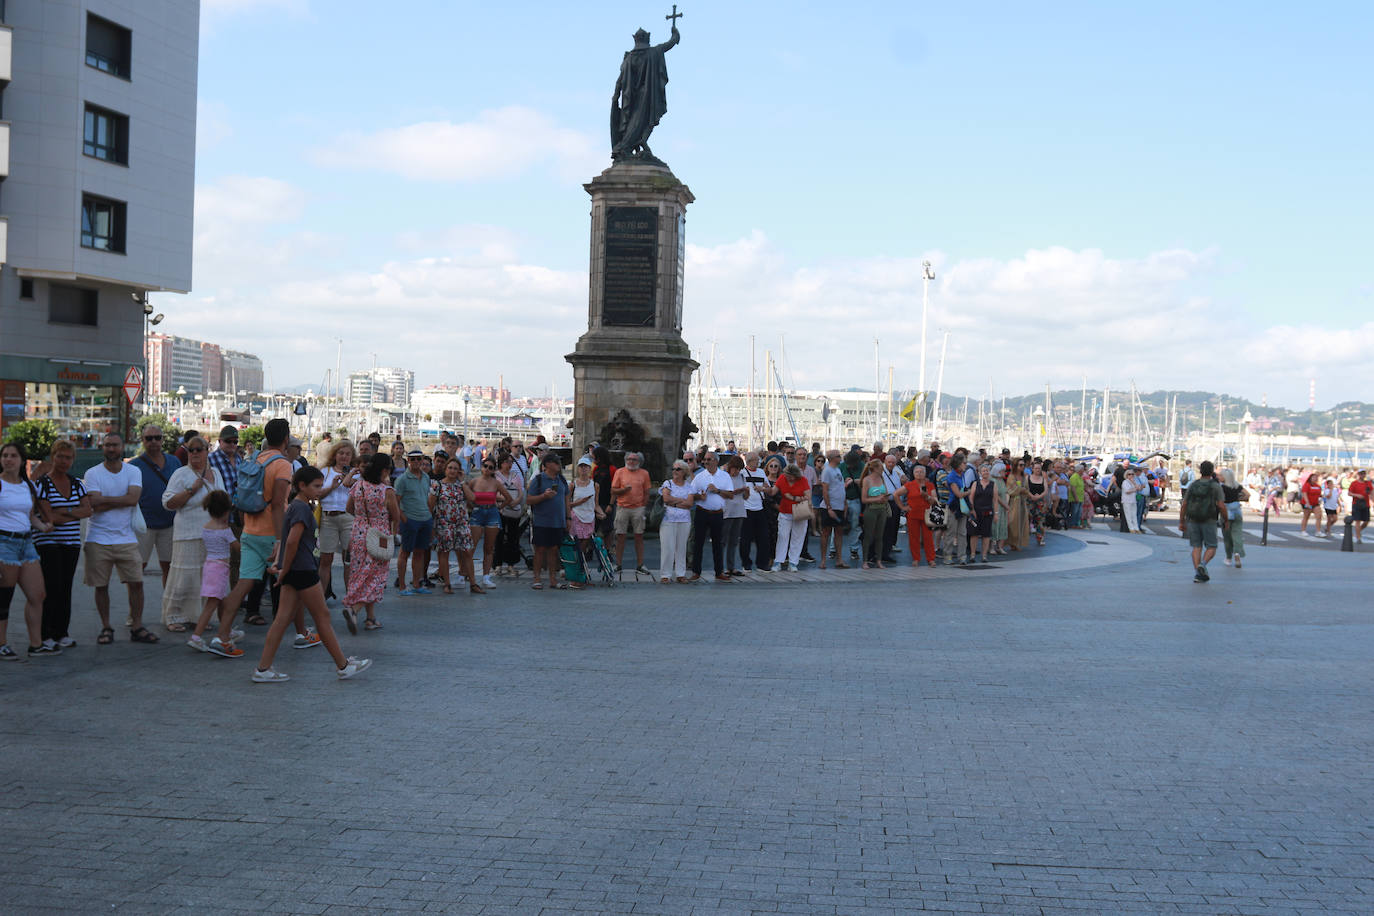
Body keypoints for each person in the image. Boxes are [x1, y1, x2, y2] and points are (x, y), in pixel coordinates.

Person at [252, 467, 372, 683]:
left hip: (297, 569)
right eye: (316, 486)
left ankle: (263, 668)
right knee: (322, 616)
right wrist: (285, 569)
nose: (319, 490)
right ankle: (342, 665)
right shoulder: (301, 509)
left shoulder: (299, 506)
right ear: (302, 486)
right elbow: (292, 540)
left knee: (282, 620)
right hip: (303, 570)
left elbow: (289, 540)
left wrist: (283, 569)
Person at [212, 418, 301, 649]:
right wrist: (281, 540)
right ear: (285, 439)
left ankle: (222, 635)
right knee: (294, 583)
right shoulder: (282, 464)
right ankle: (301, 634)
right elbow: (279, 503)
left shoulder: (255, 459)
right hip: (271, 534)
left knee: (243, 584)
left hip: (250, 530)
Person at [83, 433, 157, 646]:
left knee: (137, 583)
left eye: (115, 445)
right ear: (102, 447)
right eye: (107, 445)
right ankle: (106, 627)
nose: (111, 449)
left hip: (126, 538)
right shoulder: (93, 473)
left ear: (122, 446)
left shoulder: (133, 471)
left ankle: (137, 625)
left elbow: (133, 499)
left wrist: (104, 501)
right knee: (101, 586)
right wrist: (121, 500)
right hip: (97, 538)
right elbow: (93, 504)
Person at [159, 436, 225, 633]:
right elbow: (168, 503)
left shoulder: (216, 473)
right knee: (183, 576)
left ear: (207, 451)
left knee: (206, 577)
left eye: (199, 449)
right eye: (191, 450)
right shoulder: (181, 474)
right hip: (187, 532)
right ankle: (173, 615)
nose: (195, 453)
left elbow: (222, 500)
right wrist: (190, 491)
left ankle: (199, 617)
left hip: (212, 535)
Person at [34, 440, 90, 651]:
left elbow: (88, 511)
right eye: (60, 456)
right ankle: (46, 633)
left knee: (65, 586)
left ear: (72, 460)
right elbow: (49, 517)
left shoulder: (76, 483)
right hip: (48, 541)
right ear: (52, 457)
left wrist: (63, 513)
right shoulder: (43, 483)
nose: (63, 461)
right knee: (52, 585)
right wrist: (72, 513)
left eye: (68, 457)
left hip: (71, 542)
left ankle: (62, 632)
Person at [0, 441, 54, 658]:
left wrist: (43, 526)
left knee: (37, 594)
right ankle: (2, 643)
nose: (8, 459)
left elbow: (29, 515)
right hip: (4, 543)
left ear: (22, 460)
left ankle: (35, 644)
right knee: (4, 597)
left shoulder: (27, 485)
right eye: (5, 455)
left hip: (26, 543)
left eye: (13, 455)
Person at [343, 452, 400, 632]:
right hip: (380, 536)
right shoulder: (387, 491)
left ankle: (371, 618)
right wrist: (390, 531)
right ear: (384, 470)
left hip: (358, 534)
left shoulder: (358, 486)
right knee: (377, 576)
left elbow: (348, 508)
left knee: (361, 573)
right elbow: (396, 516)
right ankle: (354, 609)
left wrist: (362, 520)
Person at [187, 490, 241, 655]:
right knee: (212, 604)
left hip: (210, 566)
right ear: (226, 511)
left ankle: (227, 629)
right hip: (220, 569)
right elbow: (237, 548)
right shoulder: (224, 530)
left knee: (221, 601)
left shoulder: (206, 528)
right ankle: (196, 637)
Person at [130, 424, 181, 587]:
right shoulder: (133, 466)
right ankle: (136, 609)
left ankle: (168, 607)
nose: (153, 441)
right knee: (138, 568)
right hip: (143, 526)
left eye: (157, 438)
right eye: (149, 438)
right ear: (142, 441)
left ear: (162, 440)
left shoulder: (174, 462)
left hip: (170, 524)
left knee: (169, 568)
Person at [317, 439, 358, 605]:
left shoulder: (357, 473)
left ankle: (350, 597)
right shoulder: (326, 471)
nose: (344, 457)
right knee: (326, 560)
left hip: (349, 518)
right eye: (341, 453)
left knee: (349, 560)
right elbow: (317, 494)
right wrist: (332, 486)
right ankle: (319, 598)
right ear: (334, 455)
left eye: (348, 454)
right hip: (328, 518)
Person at [430, 457, 479, 595]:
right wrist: (432, 528)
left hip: (461, 523)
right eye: (450, 468)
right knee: (444, 554)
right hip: (444, 524)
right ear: (445, 469)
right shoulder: (437, 486)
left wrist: (463, 482)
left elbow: (472, 498)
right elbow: (431, 506)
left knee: (467, 552)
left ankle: (473, 583)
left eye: (455, 468)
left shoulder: (461, 485)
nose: (452, 471)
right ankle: (447, 583)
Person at [466, 455, 512, 589]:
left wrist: (499, 508)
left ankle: (486, 576)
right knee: (471, 547)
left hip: (492, 513)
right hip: (477, 513)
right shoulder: (474, 482)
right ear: (481, 467)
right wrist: (471, 506)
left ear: (494, 470)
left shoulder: (496, 483)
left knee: (489, 547)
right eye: (485, 466)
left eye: (491, 468)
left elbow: (508, 498)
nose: (487, 469)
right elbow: (465, 494)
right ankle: (467, 574)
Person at [393, 449, 435, 595]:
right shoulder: (402, 480)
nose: (416, 462)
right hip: (410, 520)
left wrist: (429, 516)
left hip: (425, 519)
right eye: (413, 459)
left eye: (419, 459)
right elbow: (395, 502)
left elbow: (427, 497)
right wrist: (404, 519)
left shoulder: (425, 477)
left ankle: (417, 584)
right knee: (405, 552)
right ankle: (402, 585)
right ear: (408, 461)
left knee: (419, 552)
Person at [1179, 459, 1228, 583]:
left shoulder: (1193, 485)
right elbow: (1221, 506)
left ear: (1200, 471)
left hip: (1193, 520)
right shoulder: (1215, 486)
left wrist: (1181, 521)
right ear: (1212, 472)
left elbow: (1184, 504)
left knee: (1196, 547)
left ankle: (1198, 574)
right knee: (1211, 547)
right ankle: (1203, 564)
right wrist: (1225, 520)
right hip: (1209, 520)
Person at [526, 454, 570, 590]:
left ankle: (552, 579)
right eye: (556, 462)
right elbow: (528, 500)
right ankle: (537, 578)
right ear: (548, 464)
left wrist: (569, 518)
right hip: (541, 521)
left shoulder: (561, 480)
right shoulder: (538, 480)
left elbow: (567, 500)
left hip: (558, 521)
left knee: (554, 550)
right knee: (539, 550)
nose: (559, 465)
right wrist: (543, 496)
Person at [689, 451, 734, 581]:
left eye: (709, 459)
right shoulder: (699, 477)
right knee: (698, 543)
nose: (706, 462)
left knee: (718, 543)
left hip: (717, 513)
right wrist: (699, 496)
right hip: (702, 511)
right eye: (705, 460)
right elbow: (691, 495)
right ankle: (696, 571)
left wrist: (717, 490)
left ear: (716, 461)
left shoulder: (725, 476)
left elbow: (731, 495)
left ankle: (719, 572)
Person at [207, 426, 242, 587]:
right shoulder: (211, 459)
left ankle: (236, 595)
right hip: (220, 517)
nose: (232, 444)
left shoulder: (240, 459)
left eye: (235, 441)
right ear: (220, 441)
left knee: (237, 558)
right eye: (228, 441)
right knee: (218, 559)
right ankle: (215, 593)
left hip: (239, 516)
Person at [610, 452, 652, 575]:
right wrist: (623, 490)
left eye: (634, 459)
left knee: (639, 536)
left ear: (639, 461)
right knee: (620, 536)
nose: (631, 461)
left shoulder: (644, 473)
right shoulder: (619, 472)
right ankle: (618, 565)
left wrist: (643, 506)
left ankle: (640, 565)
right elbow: (613, 490)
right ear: (625, 460)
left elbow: (647, 492)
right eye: (629, 459)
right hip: (622, 507)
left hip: (638, 508)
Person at [567, 456, 603, 588]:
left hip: (589, 518)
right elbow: (567, 504)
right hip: (576, 516)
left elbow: (596, 504)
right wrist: (579, 502)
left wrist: (602, 513)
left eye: (586, 466)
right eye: (581, 466)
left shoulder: (595, 485)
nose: (583, 469)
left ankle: (580, 573)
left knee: (584, 547)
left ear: (589, 469)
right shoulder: (573, 484)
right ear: (578, 468)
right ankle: (577, 574)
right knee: (576, 547)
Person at [658, 460, 694, 583]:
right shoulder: (667, 483)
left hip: (684, 520)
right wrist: (681, 500)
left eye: (678, 469)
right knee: (667, 547)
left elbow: (690, 503)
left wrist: (675, 502)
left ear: (684, 472)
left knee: (681, 547)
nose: (675, 471)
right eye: (673, 469)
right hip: (669, 519)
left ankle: (680, 573)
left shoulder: (689, 486)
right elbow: (666, 498)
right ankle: (665, 574)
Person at [771, 461, 811, 572]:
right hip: (785, 511)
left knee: (798, 537)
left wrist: (793, 498)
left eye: (791, 477)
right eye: (787, 476)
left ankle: (793, 562)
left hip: (800, 511)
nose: (789, 479)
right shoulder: (782, 478)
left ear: (796, 475)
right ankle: (778, 561)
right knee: (782, 536)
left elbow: (808, 496)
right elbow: (773, 492)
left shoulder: (803, 480)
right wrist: (766, 489)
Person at [896, 465, 937, 567]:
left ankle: (931, 559)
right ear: (913, 474)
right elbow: (896, 494)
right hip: (913, 514)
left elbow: (935, 500)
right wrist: (903, 507)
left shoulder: (929, 485)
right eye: (917, 472)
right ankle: (916, 558)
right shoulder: (909, 485)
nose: (919, 474)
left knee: (928, 538)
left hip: (927, 514)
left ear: (925, 474)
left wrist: (926, 496)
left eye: (921, 472)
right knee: (914, 537)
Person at [493, 452, 527, 578]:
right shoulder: (496, 476)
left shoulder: (516, 475)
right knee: (499, 538)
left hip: (514, 509)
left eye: (511, 462)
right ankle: (498, 564)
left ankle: (511, 564)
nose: (509, 464)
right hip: (500, 509)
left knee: (513, 537)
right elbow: (493, 492)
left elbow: (521, 491)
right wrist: (505, 500)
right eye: (507, 461)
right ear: (501, 463)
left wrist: (516, 502)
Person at [817, 450, 849, 570]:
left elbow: (839, 487)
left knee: (839, 533)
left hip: (839, 506)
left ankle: (839, 559)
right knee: (826, 532)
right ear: (832, 458)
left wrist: (844, 502)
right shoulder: (827, 470)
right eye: (838, 456)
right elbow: (825, 490)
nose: (840, 457)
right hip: (829, 507)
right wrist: (828, 507)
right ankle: (823, 560)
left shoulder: (838, 469)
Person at [738, 451, 768, 571]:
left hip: (760, 508)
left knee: (763, 537)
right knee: (746, 538)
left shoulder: (761, 472)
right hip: (746, 509)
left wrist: (763, 488)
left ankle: (762, 563)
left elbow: (768, 487)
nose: (759, 462)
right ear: (750, 461)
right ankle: (746, 563)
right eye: (757, 460)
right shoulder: (742, 473)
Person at [858, 459, 890, 569]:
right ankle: (865, 560)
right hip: (871, 509)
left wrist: (885, 497)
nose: (883, 470)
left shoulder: (881, 478)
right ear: (875, 468)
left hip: (882, 510)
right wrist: (877, 499)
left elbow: (885, 492)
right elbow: (864, 499)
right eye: (881, 468)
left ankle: (879, 560)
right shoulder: (866, 480)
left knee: (880, 536)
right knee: (868, 536)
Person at [938, 453, 969, 564]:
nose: (966, 465)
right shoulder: (951, 476)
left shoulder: (962, 474)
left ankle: (962, 557)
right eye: (964, 463)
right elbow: (958, 494)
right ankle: (948, 556)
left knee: (962, 533)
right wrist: (970, 491)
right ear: (958, 464)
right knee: (951, 533)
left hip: (962, 507)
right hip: (954, 507)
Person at [721, 455, 748, 576]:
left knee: (734, 541)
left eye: (738, 469)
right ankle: (720, 567)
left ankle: (731, 567)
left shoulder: (742, 477)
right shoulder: (725, 477)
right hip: (727, 511)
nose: (736, 471)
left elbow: (745, 497)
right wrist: (739, 491)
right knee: (723, 540)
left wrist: (746, 491)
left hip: (739, 511)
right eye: (735, 468)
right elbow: (725, 493)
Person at [1219, 468, 1249, 568]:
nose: (1219, 477)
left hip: (1226, 512)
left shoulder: (1221, 487)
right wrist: (1237, 499)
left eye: (1221, 475)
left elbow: (1219, 500)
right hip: (1237, 511)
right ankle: (1237, 554)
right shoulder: (1236, 485)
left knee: (1227, 536)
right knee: (1237, 534)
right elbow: (1247, 494)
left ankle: (1228, 558)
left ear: (1225, 477)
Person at [969, 463, 998, 563]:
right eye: (984, 470)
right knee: (974, 534)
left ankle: (984, 556)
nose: (985, 472)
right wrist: (972, 510)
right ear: (980, 472)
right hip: (976, 511)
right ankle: (972, 555)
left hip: (988, 511)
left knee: (986, 534)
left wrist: (996, 513)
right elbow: (971, 498)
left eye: (987, 470)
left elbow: (995, 500)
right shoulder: (975, 483)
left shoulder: (993, 484)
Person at [840, 447, 865, 561]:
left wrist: (853, 480)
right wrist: (844, 481)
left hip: (855, 498)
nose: (849, 466)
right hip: (842, 499)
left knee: (855, 525)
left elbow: (865, 481)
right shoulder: (841, 466)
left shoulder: (862, 466)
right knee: (838, 525)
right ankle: (833, 549)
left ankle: (854, 549)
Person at [1005, 458, 1028, 551]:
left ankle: (1016, 543)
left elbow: (1026, 489)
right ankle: (1010, 542)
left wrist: (1022, 490)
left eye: (1023, 465)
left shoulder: (1024, 477)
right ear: (1016, 466)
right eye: (1020, 465)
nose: (1022, 467)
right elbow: (1011, 490)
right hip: (1013, 503)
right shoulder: (1011, 476)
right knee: (1012, 522)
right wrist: (1021, 490)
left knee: (1022, 522)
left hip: (1022, 502)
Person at [1348, 469, 1370, 543]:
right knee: (1358, 521)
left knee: (1366, 521)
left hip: (1366, 504)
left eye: (1363, 474)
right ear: (1358, 475)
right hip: (1356, 504)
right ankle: (1358, 537)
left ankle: (1358, 531)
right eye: (1361, 474)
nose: (1362, 475)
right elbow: (1349, 493)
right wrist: (1357, 495)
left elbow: (1371, 492)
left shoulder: (1368, 483)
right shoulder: (1354, 483)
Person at [1298, 470, 1323, 537]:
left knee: (1319, 516)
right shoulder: (1307, 485)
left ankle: (1318, 531)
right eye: (1314, 477)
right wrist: (1307, 503)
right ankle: (1303, 530)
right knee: (1306, 517)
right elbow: (1305, 494)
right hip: (1307, 503)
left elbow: (1319, 494)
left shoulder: (1318, 486)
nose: (1315, 479)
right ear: (1310, 478)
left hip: (1315, 503)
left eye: (1316, 477)